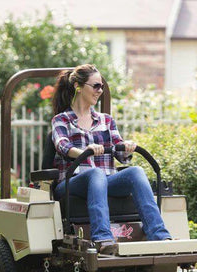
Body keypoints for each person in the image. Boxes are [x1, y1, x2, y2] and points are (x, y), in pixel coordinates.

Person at [50, 64, 172, 253]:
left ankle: (159, 235)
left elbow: (120, 152)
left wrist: (127, 148)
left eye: (102, 87)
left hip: (105, 180)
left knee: (136, 172)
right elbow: (62, 145)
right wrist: (85, 151)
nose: (100, 91)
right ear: (78, 86)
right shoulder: (61, 120)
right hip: (72, 181)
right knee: (95, 173)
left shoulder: (106, 120)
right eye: (96, 86)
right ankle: (103, 239)